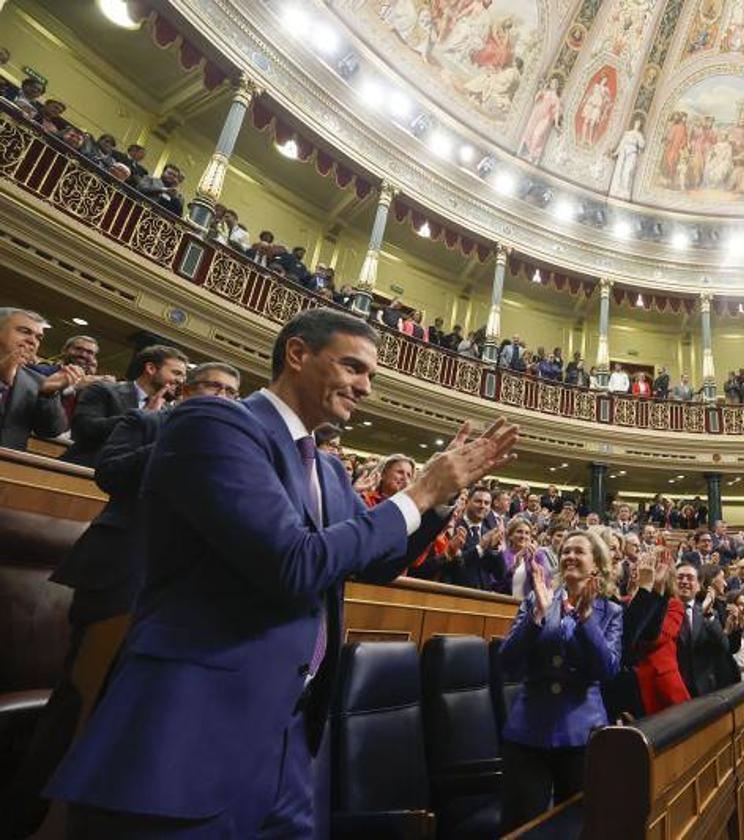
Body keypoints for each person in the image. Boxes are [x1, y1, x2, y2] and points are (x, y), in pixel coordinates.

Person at [47, 309, 519, 835]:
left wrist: (437, 502)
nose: (365, 387)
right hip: (193, 733)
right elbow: (294, 563)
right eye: (353, 368)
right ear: (297, 354)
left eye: (372, 377)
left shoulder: (330, 469)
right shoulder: (214, 424)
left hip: (292, 738)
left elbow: (374, 559)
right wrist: (420, 490)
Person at [3, 363, 243, 837]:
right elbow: (110, 474)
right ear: (186, 392)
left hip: (177, 596)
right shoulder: (149, 423)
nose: (222, 398)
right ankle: (29, 820)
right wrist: (182, 441)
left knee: (133, 720)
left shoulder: (231, 450)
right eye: (212, 387)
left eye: (231, 393)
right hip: (119, 579)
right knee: (78, 709)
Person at [499, 529, 621, 831]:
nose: (569, 556)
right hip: (529, 730)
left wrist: (587, 619)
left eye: (579, 551)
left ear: (597, 564)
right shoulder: (536, 599)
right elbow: (507, 662)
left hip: (581, 734)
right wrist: (537, 617)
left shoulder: (611, 611)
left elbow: (607, 671)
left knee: (576, 827)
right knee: (521, 826)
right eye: (565, 550)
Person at [61, 345, 189, 467]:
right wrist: (140, 416)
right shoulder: (103, 390)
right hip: (80, 471)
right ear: (151, 369)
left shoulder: (170, 412)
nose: (181, 380)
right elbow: (84, 428)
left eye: (183, 376)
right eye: (176, 373)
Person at [0, 307, 73, 450]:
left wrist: (48, 395)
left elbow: (51, 430)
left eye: (38, 337)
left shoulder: (35, 380)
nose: (32, 341)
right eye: (24, 331)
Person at [632, 555, 691, 716]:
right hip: (635, 684)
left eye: (652, 565)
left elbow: (657, 638)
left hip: (663, 684)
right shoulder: (631, 601)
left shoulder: (674, 605)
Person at [674, 562, 729, 698]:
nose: (685, 582)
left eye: (690, 578)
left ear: (698, 586)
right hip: (674, 688)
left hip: (704, 690)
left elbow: (723, 646)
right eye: (680, 577)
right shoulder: (663, 611)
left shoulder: (709, 613)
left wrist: (707, 615)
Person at [501, 517, 555, 599]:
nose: (523, 536)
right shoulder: (502, 556)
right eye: (519, 532)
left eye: (527, 533)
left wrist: (533, 563)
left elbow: (546, 584)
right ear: (510, 536)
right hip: (507, 603)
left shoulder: (538, 556)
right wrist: (515, 566)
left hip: (532, 606)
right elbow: (499, 585)